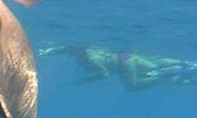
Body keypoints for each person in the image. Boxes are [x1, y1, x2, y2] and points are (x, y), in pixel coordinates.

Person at [38, 45, 196, 91]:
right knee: (154, 64)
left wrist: (85, 80)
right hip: (125, 56)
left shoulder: (91, 60)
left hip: (123, 64)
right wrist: (47, 51)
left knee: (133, 86)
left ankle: (167, 75)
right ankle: (185, 63)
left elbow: (105, 74)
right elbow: (66, 49)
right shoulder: (88, 49)